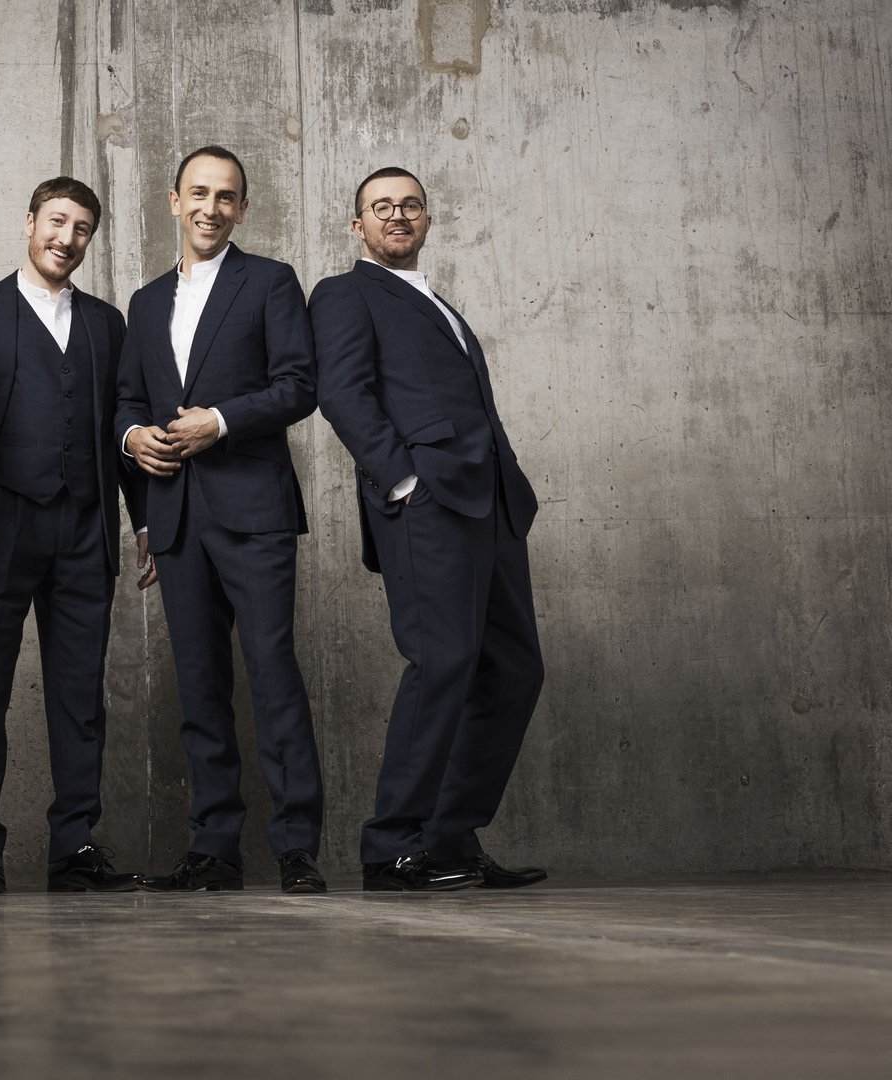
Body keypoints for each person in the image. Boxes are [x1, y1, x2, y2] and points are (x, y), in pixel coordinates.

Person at [310, 167, 548, 892]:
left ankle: (447, 839)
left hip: (492, 505)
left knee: (513, 671)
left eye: (409, 205)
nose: (397, 216)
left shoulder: (435, 302)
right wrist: (405, 480)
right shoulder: (344, 292)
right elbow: (341, 392)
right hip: (431, 503)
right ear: (358, 226)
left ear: (428, 218)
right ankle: (392, 846)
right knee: (442, 661)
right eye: (381, 208)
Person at [114, 145, 327, 895]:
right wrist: (131, 441)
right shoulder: (142, 304)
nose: (211, 208)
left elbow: (299, 385)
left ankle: (298, 847)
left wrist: (222, 420)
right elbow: (128, 406)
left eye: (226, 197)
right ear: (173, 200)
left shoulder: (270, 282)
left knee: (273, 678)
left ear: (242, 208)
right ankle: (214, 849)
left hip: (253, 511)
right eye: (198, 194)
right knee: (199, 689)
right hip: (172, 517)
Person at [0, 176, 145, 894]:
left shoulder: (108, 324)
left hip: (86, 522)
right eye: (57, 222)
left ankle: (73, 845)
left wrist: (143, 518)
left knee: (79, 694)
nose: (67, 238)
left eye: (82, 228)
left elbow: (126, 425)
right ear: (29, 222)